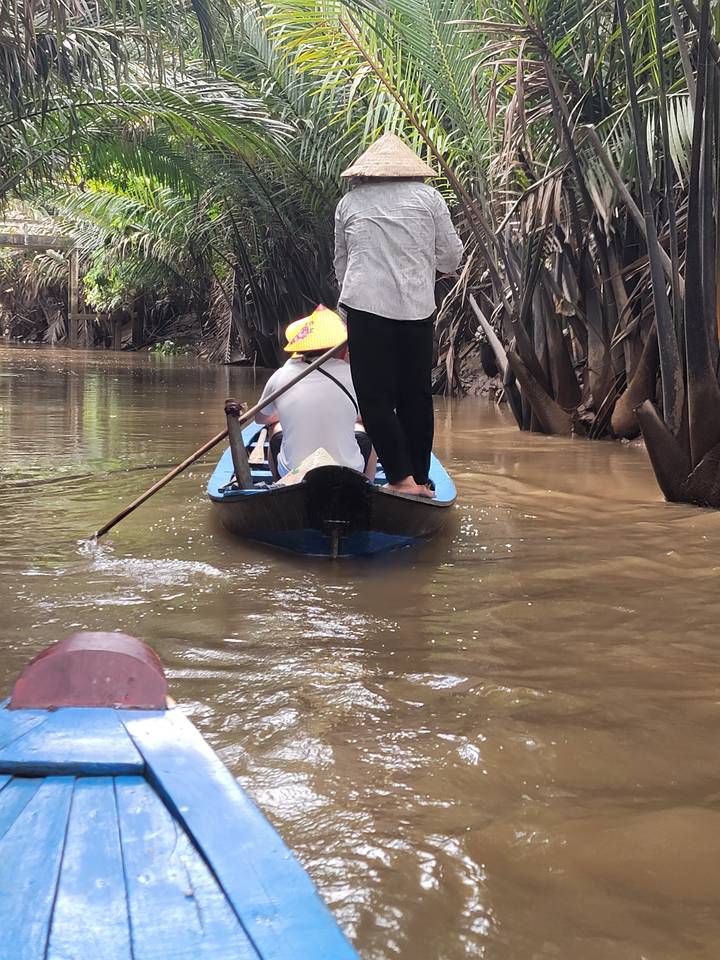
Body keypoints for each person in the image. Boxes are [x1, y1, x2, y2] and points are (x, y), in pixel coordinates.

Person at [334, 132, 463, 498]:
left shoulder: (349, 202)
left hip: (365, 308)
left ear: (365, 173)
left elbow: (342, 264)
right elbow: (451, 258)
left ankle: (401, 479)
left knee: (374, 398)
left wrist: (347, 309)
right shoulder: (430, 198)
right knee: (416, 397)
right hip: (416, 310)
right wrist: (425, 265)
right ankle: (419, 480)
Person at [255, 305, 376, 481]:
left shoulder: (281, 375)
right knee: (368, 429)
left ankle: (279, 484)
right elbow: (375, 416)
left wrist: (286, 413)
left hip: (295, 473)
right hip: (349, 472)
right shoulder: (357, 376)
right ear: (342, 348)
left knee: (274, 428)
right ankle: (368, 485)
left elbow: (260, 419)